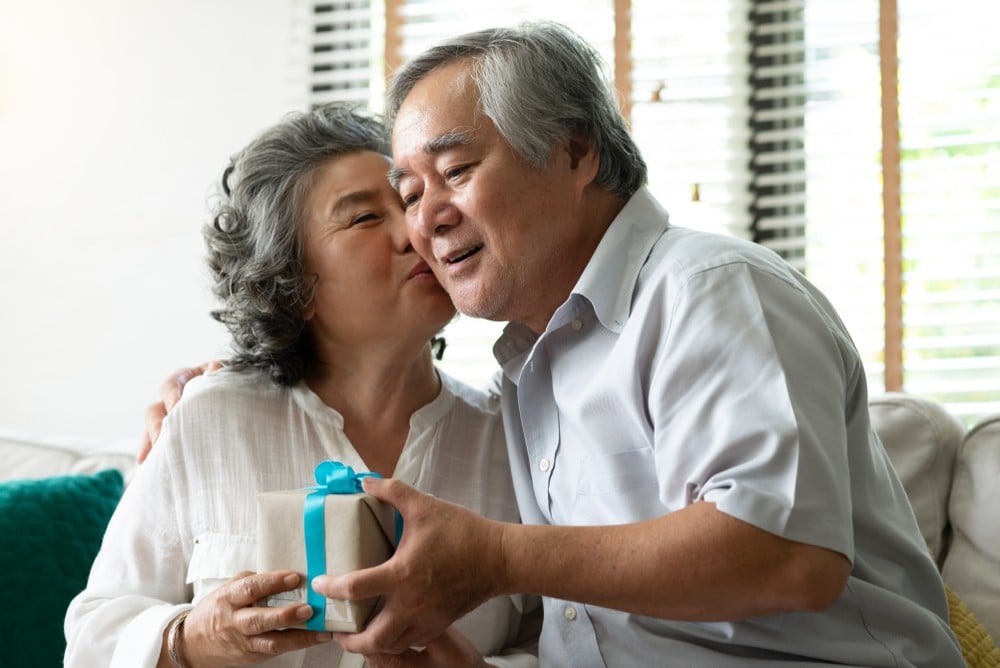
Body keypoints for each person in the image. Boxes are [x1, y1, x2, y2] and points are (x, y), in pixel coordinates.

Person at [301, 21, 965, 667]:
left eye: (456, 170)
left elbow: (788, 558)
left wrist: (498, 558)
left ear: (575, 152)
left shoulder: (710, 291)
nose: (427, 218)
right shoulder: (528, 363)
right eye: (410, 193)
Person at [64, 104, 539, 668]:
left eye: (409, 201)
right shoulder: (209, 416)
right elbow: (93, 639)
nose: (417, 229)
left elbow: (569, 639)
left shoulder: (514, 432)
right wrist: (193, 639)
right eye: (364, 218)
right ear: (292, 284)